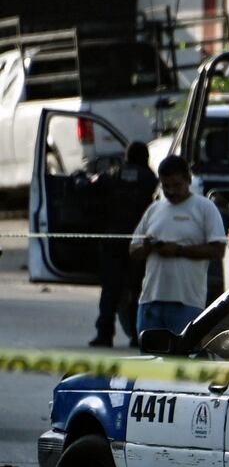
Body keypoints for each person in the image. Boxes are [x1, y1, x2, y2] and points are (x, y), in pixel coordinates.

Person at [129, 156, 227, 336]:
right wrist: (147, 248)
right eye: (166, 186)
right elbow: (133, 250)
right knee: (149, 360)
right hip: (151, 301)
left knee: (181, 359)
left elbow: (218, 250)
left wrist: (179, 251)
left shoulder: (205, 208)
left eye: (176, 185)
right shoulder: (154, 209)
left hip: (187, 303)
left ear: (188, 180)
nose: (171, 191)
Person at [89, 142, 157, 348]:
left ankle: (104, 334)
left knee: (110, 289)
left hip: (112, 240)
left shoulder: (115, 174)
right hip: (137, 242)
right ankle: (138, 335)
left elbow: (94, 187)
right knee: (137, 290)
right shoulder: (150, 179)